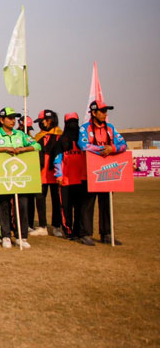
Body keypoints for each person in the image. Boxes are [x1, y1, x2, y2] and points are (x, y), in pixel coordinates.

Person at [0, 107, 41, 249]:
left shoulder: (21, 135)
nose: (13, 121)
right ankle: (6, 236)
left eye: (14, 118)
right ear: (2, 120)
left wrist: (23, 149)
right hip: (3, 178)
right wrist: (4, 149)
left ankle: (22, 236)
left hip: (19, 178)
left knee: (21, 206)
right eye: (9, 118)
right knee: (3, 206)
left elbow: (37, 145)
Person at [78, 100, 126, 246]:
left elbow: (123, 144)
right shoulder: (84, 128)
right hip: (89, 172)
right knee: (87, 204)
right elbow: (83, 145)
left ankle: (107, 233)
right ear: (93, 112)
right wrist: (102, 150)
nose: (105, 114)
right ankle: (85, 234)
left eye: (106, 111)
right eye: (102, 111)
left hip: (107, 172)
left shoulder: (110, 128)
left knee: (107, 203)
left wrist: (112, 149)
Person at [54, 112, 90, 244]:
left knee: (81, 207)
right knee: (66, 207)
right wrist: (58, 175)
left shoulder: (83, 140)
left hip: (82, 178)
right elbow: (57, 159)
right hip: (66, 180)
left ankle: (79, 230)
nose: (73, 125)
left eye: (75, 121)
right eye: (71, 122)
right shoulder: (61, 141)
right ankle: (68, 231)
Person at [31, 109, 63, 237]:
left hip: (55, 174)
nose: (41, 124)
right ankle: (42, 226)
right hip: (40, 174)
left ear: (50, 120)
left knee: (57, 200)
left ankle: (57, 226)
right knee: (39, 200)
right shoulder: (38, 137)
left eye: (42, 121)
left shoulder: (60, 135)